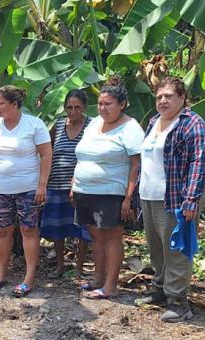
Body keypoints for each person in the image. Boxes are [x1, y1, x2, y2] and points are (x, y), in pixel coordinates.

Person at [135, 77, 205, 321]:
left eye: (168, 96)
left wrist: (191, 201)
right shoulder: (154, 121)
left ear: (182, 98)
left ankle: (179, 302)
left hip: (176, 197)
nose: (163, 100)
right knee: (156, 247)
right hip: (150, 194)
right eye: (159, 96)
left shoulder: (192, 124)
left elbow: (198, 164)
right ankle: (160, 289)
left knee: (176, 248)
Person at [0, 86, 53, 297]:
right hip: (0, 189)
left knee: (28, 230)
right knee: (4, 231)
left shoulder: (34, 125)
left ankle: (28, 278)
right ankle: (1, 274)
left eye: (1, 104)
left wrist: (42, 185)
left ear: (15, 104)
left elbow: (46, 154)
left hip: (28, 188)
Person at [72, 77, 145, 299]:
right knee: (96, 237)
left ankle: (110, 285)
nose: (103, 108)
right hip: (85, 190)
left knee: (112, 238)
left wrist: (128, 197)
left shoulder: (130, 128)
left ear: (122, 104)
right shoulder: (94, 124)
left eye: (108, 104)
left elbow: (136, 164)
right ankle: (98, 278)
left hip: (112, 192)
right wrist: (73, 185)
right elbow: (81, 157)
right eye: (100, 104)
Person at [40, 90, 92, 278]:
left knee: (81, 227)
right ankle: (60, 266)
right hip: (56, 183)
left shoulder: (92, 125)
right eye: (69, 107)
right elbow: (48, 152)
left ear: (84, 107)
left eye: (77, 107)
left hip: (81, 185)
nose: (73, 111)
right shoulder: (59, 125)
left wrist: (75, 184)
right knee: (57, 226)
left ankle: (79, 267)